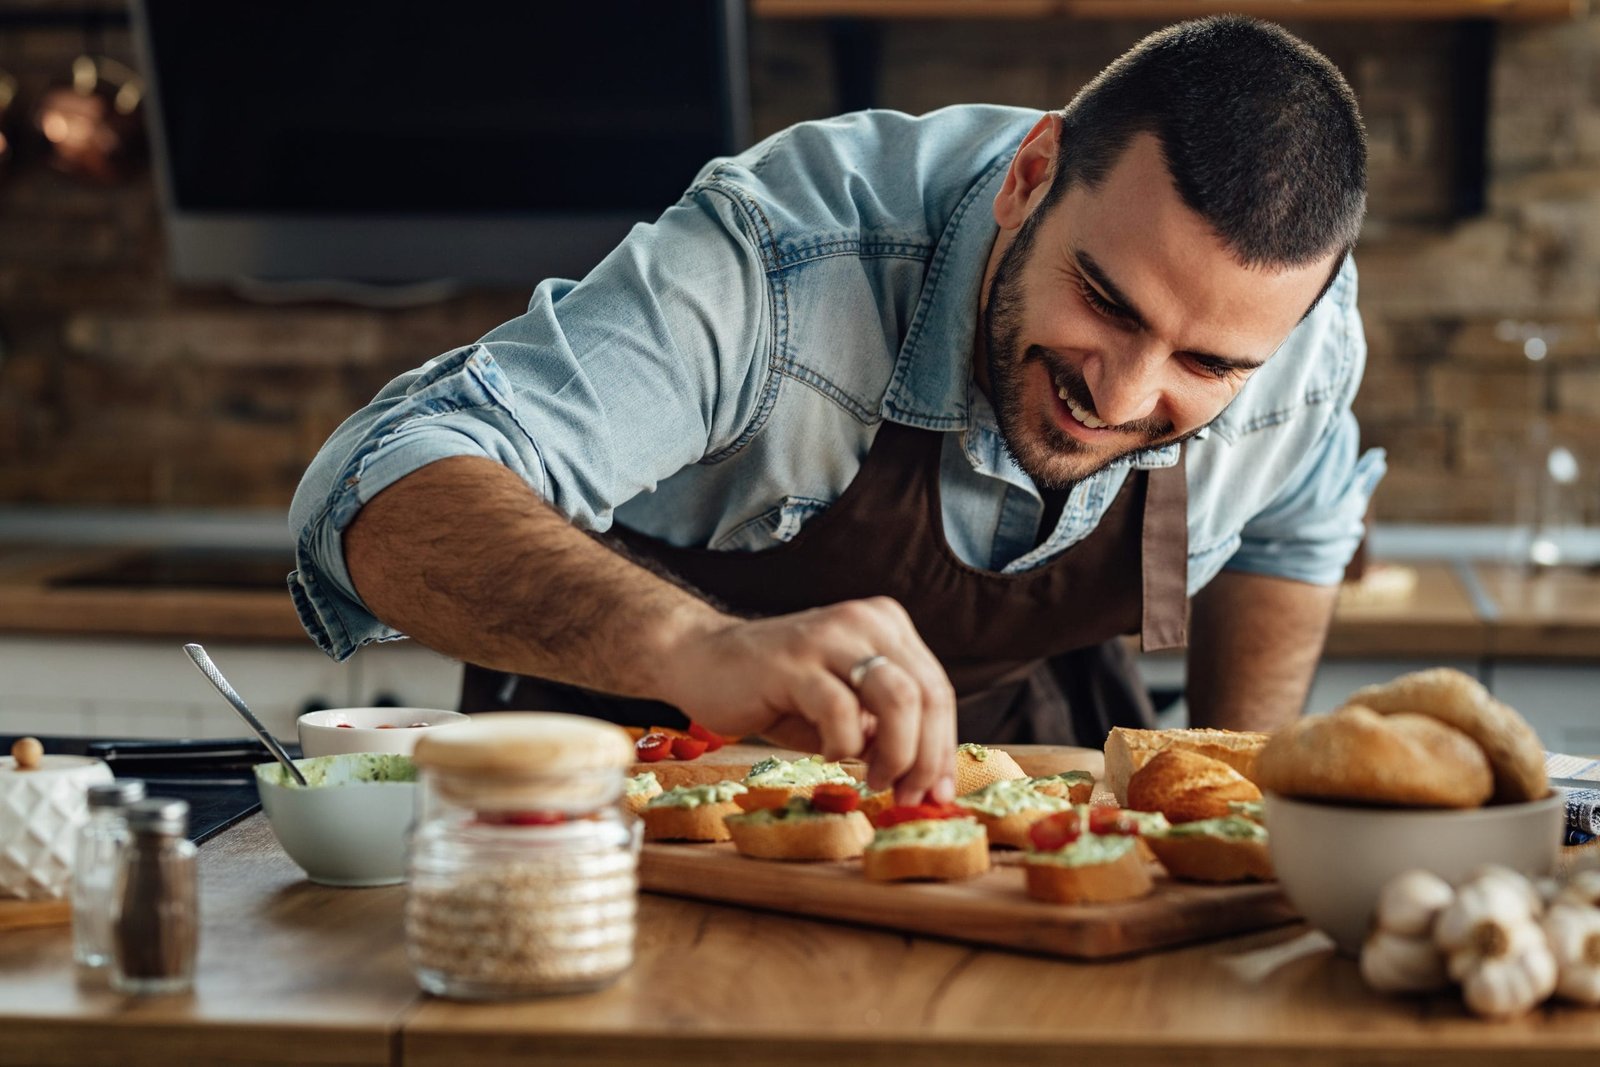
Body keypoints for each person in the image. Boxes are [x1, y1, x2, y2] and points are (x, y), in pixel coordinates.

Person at [288, 15, 1384, 805]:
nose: (1124, 394)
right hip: (630, 780)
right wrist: (697, 646)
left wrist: (1241, 792)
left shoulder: (1304, 341)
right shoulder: (782, 260)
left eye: (1205, 361)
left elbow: (1295, 523)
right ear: (1031, 173)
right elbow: (375, 482)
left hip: (1024, 784)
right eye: (1103, 301)